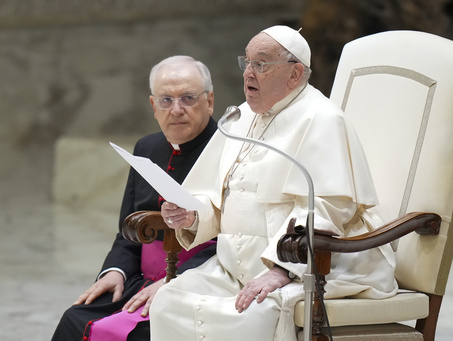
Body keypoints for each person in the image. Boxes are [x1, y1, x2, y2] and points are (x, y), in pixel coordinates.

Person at [150, 26, 398, 341]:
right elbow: (217, 195)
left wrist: (281, 270)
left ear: (295, 74)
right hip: (232, 268)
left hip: (304, 267)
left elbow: (328, 205)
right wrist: (193, 215)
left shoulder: (321, 119)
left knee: (248, 316)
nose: (248, 74)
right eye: (247, 62)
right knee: (169, 301)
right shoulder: (239, 118)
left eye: (261, 64)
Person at [51, 55, 218, 341]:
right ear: (153, 105)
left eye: (188, 98)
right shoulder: (147, 147)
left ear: (210, 101)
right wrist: (115, 271)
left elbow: (235, 239)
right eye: (166, 100)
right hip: (140, 282)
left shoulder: (230, 150)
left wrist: (175, 280)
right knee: (75, 319)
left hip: (200, 280)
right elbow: (128, 230)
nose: (176, 109)